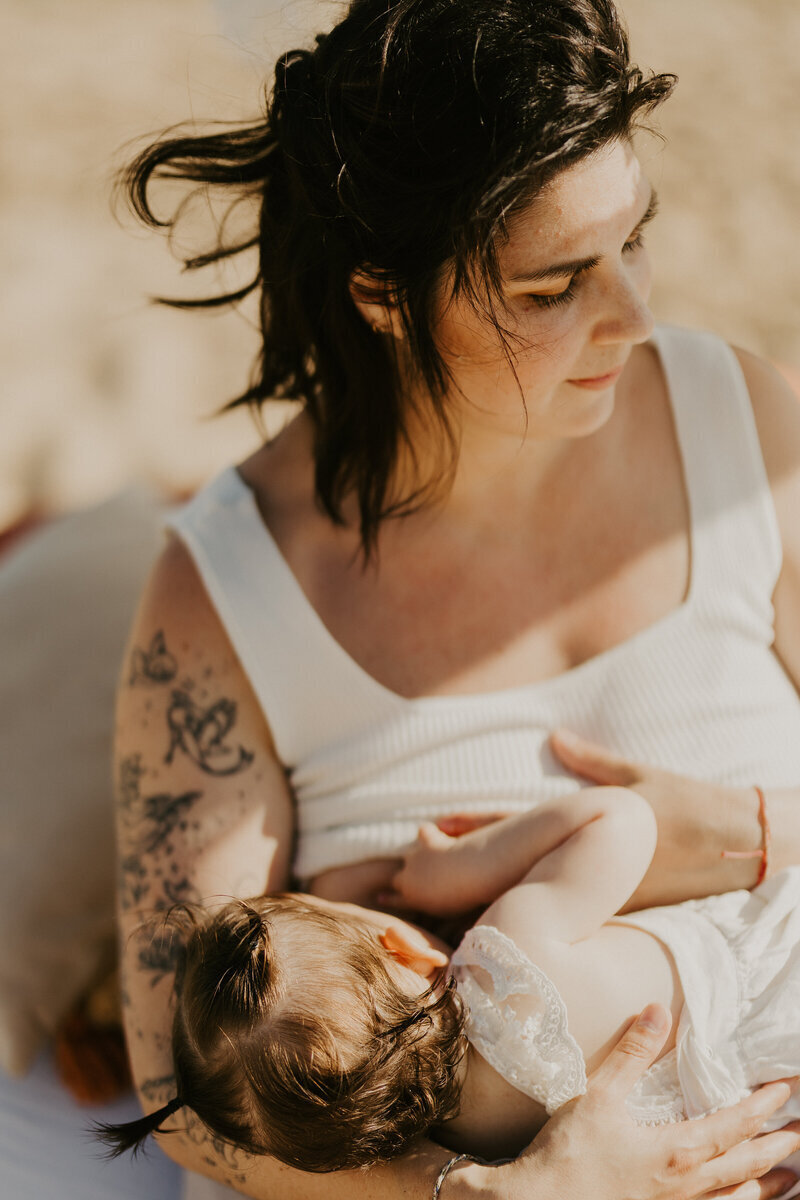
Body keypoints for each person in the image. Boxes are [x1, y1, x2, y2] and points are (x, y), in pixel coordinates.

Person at [114, 0, 800, 1197]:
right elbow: (185, 1096)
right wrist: (493, 1194)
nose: (634, 317)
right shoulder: (230, 591)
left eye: (634, 239)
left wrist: (742, 834)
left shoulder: (744, 424)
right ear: (384, 293)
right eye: (552, 286)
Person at [99, 787, 800, 1172]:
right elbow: (621, 820)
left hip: (776, 1106)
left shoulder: (489, 1156)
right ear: (403, 944)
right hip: (778, 956)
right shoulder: (508, 956)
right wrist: (467, 867)